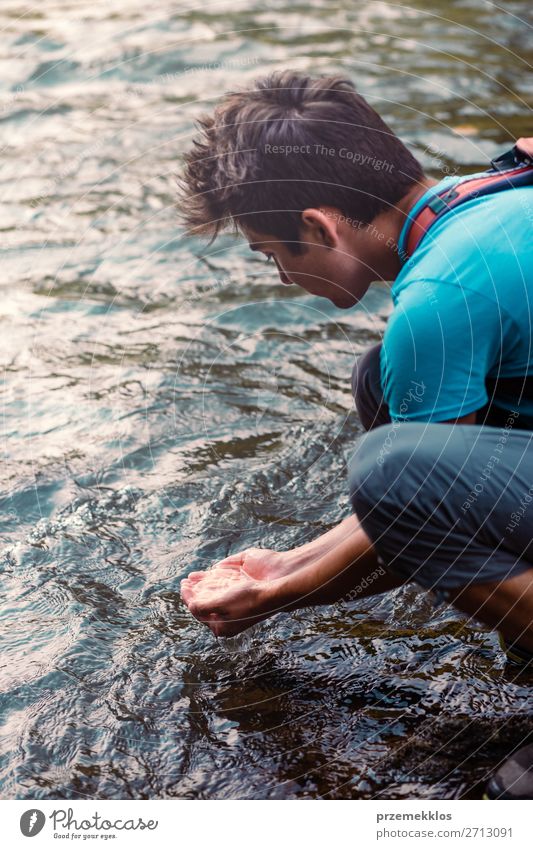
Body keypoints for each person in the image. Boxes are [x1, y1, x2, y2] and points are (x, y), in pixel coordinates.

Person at [177, 71, 533, 798]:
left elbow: (413, 501)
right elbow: (432, 497)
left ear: (319, 226)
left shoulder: (437, 301)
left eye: (272, 253)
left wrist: (271, 598)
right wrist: (288, 562)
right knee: (382, 389)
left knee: (388, 466)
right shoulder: (492, 197)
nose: (279, 276)